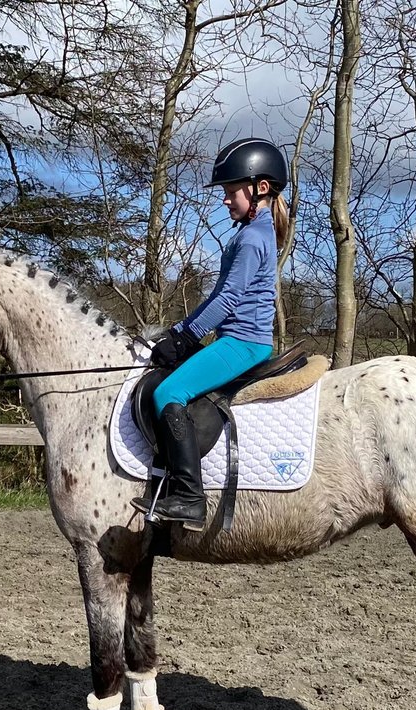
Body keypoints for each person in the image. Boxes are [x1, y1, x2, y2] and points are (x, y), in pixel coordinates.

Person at [133, 137, 291, 531]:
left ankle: (189, 498)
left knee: (168, 392)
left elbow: (227, 302)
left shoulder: (253, 238)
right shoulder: (252, 232)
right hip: (233, 340)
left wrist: (186, 339)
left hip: (243, 344)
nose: (224, 200)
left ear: (260, 188)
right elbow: (218, 298)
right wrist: (178, 332)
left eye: (230, 191)